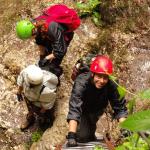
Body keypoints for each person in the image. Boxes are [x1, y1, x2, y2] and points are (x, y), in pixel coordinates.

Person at [66, 55, 128, 147]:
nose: (102, 81)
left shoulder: (112, 84)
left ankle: (90, 132)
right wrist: (71, 135)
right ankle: (85, 132)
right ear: (92, 74)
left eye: (105, 77)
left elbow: (120, 108)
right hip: (82, 109)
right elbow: (74, 107)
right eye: (99, 76)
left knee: (88, 131)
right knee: (82, 137)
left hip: (98, 108)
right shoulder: (81, 82)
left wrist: (126, 129)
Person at [16, 4, 80, 78]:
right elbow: (39, 42)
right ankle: (48, 63)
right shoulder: (34, 24)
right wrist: (42, 57)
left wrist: (46, 58)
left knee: (55, 60)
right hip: (51, 32)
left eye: (29, 37)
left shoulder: (51, 27)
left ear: (33, 32)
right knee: (47, 52)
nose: (29, 39)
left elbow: (60, 51)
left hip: (64, 33)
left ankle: (55, 70)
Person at [16, 65, 58, 130]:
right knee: (29, 107)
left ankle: (32, 118)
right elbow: (21, 79)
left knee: (34, 110)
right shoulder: (27, 72)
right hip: (29, 95)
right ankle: (31, 117)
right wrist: (19, 92)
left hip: (38, 101)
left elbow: (47, 103)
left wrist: (42, 112)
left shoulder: (47, 90)